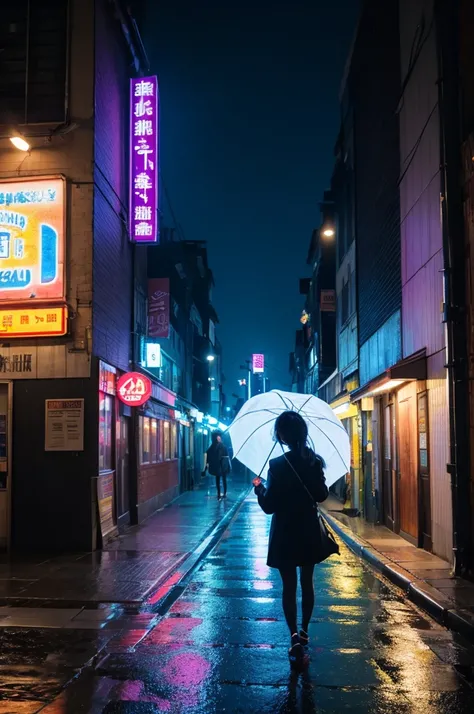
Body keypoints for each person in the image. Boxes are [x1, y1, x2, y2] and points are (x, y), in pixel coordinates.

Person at [253, 411, 329, 668]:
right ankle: (305, 630)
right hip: (307, 529)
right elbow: (321, 495)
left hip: (285, 531)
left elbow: (269, 506)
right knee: (307, 582)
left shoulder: (277, 465)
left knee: (288, 586)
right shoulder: (314, 461)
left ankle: (293, 636)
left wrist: (259, 489)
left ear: (282, 435)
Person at [204, 431, 231, 500]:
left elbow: (209, 453)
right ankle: (221, 493)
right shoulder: (221, 446)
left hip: (219, 465)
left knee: (219, 479)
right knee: (221, 479)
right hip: (221, 465)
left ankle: (221, 493)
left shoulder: (215, 446)